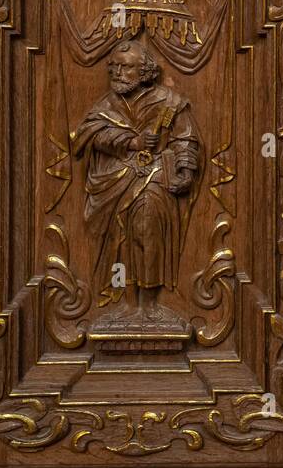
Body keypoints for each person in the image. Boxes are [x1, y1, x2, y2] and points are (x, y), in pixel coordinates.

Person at [74, 40, 202, 321]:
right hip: (111, 181)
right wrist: (131, 141)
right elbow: (87, 136)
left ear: (144, 72)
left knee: (146, 229)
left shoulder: (169, 103)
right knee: (120, 240)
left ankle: (148, 303)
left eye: (126, 67)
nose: (118, 73)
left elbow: (186, 139)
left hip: (154, 175)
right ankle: (126, 302)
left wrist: (185, 171)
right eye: (114, 67)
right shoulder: (107, 104)